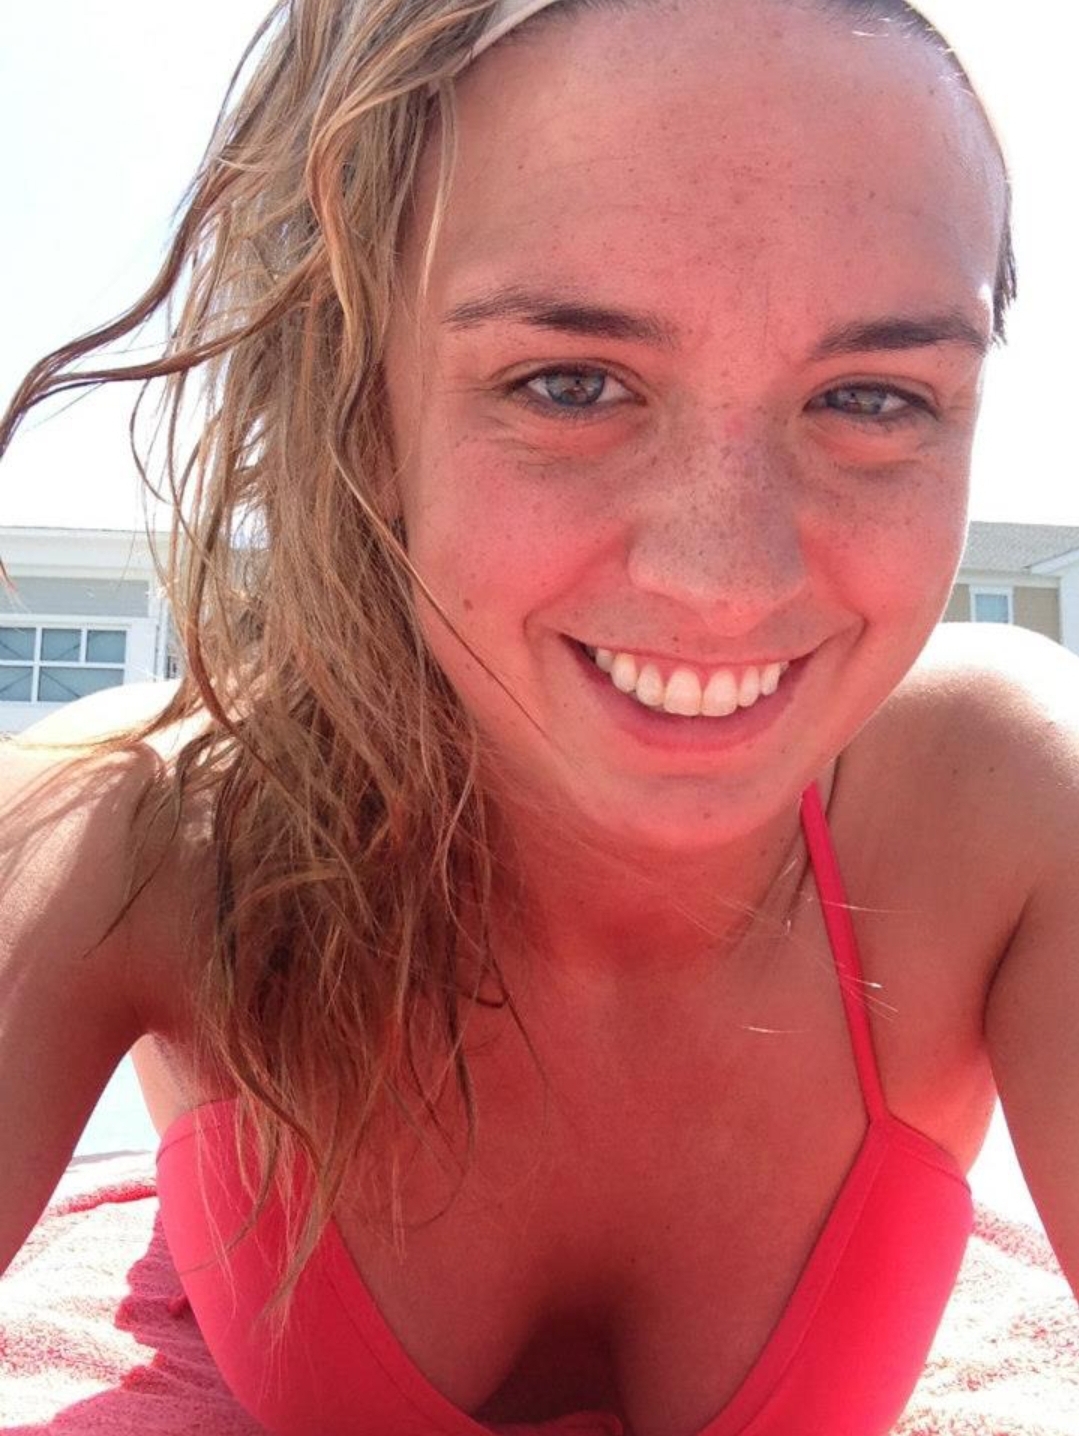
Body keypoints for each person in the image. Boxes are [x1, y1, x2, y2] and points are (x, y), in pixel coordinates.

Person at [1, 0, 1076, 1432]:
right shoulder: (147, 823)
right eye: (571, 386)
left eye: (872, 398)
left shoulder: (1009, 803)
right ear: (361, 412)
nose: (726, 580)